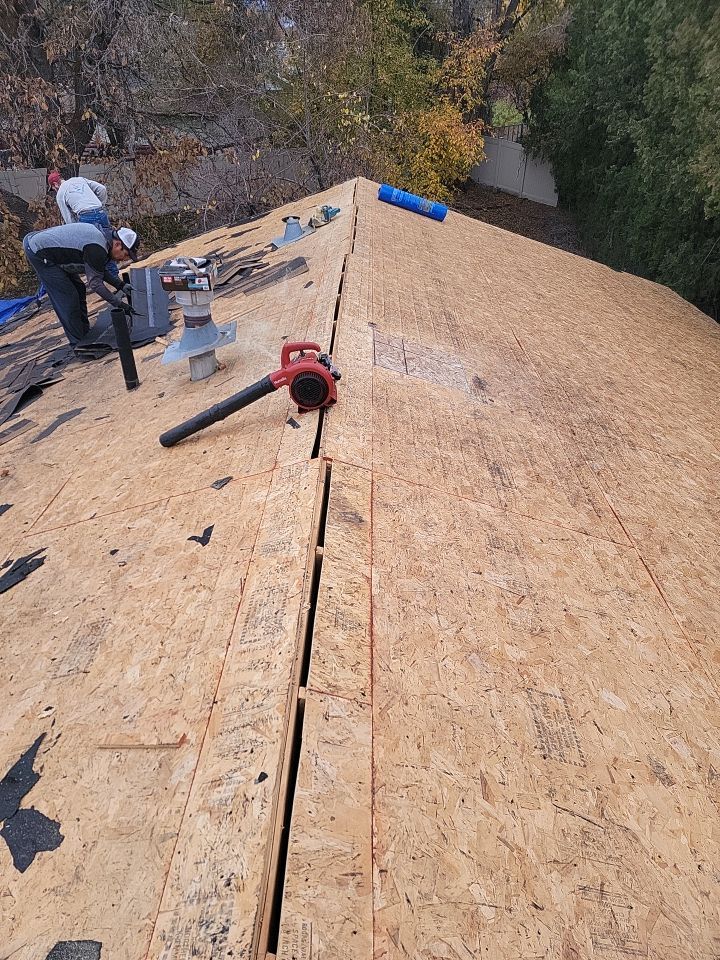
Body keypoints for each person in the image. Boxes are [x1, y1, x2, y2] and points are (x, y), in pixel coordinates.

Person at [23, 222, 140, 347]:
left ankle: (85, 334)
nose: (124, 259)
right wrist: (119, 304)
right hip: (38, 252)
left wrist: (120, 285)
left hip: (51, 251)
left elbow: (97, 268)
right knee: (68, 297)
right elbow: (95, 283)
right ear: (117, 244)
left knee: (79, 288)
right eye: (126, 254)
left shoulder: (103, 241)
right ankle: (79, 345)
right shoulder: (96, 248)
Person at [47, 170, 120, 277]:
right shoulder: (79, 180)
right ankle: (114, 276)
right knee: (108, 244)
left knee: (93, 248)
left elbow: (69, 219)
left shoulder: (61, 193)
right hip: (100, 212)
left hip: (86, 217)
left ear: (55, 184)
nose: (54, 190)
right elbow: (102, 189)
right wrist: (100, 204)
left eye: (53, 188)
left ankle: (100, 276)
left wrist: (77, 230)